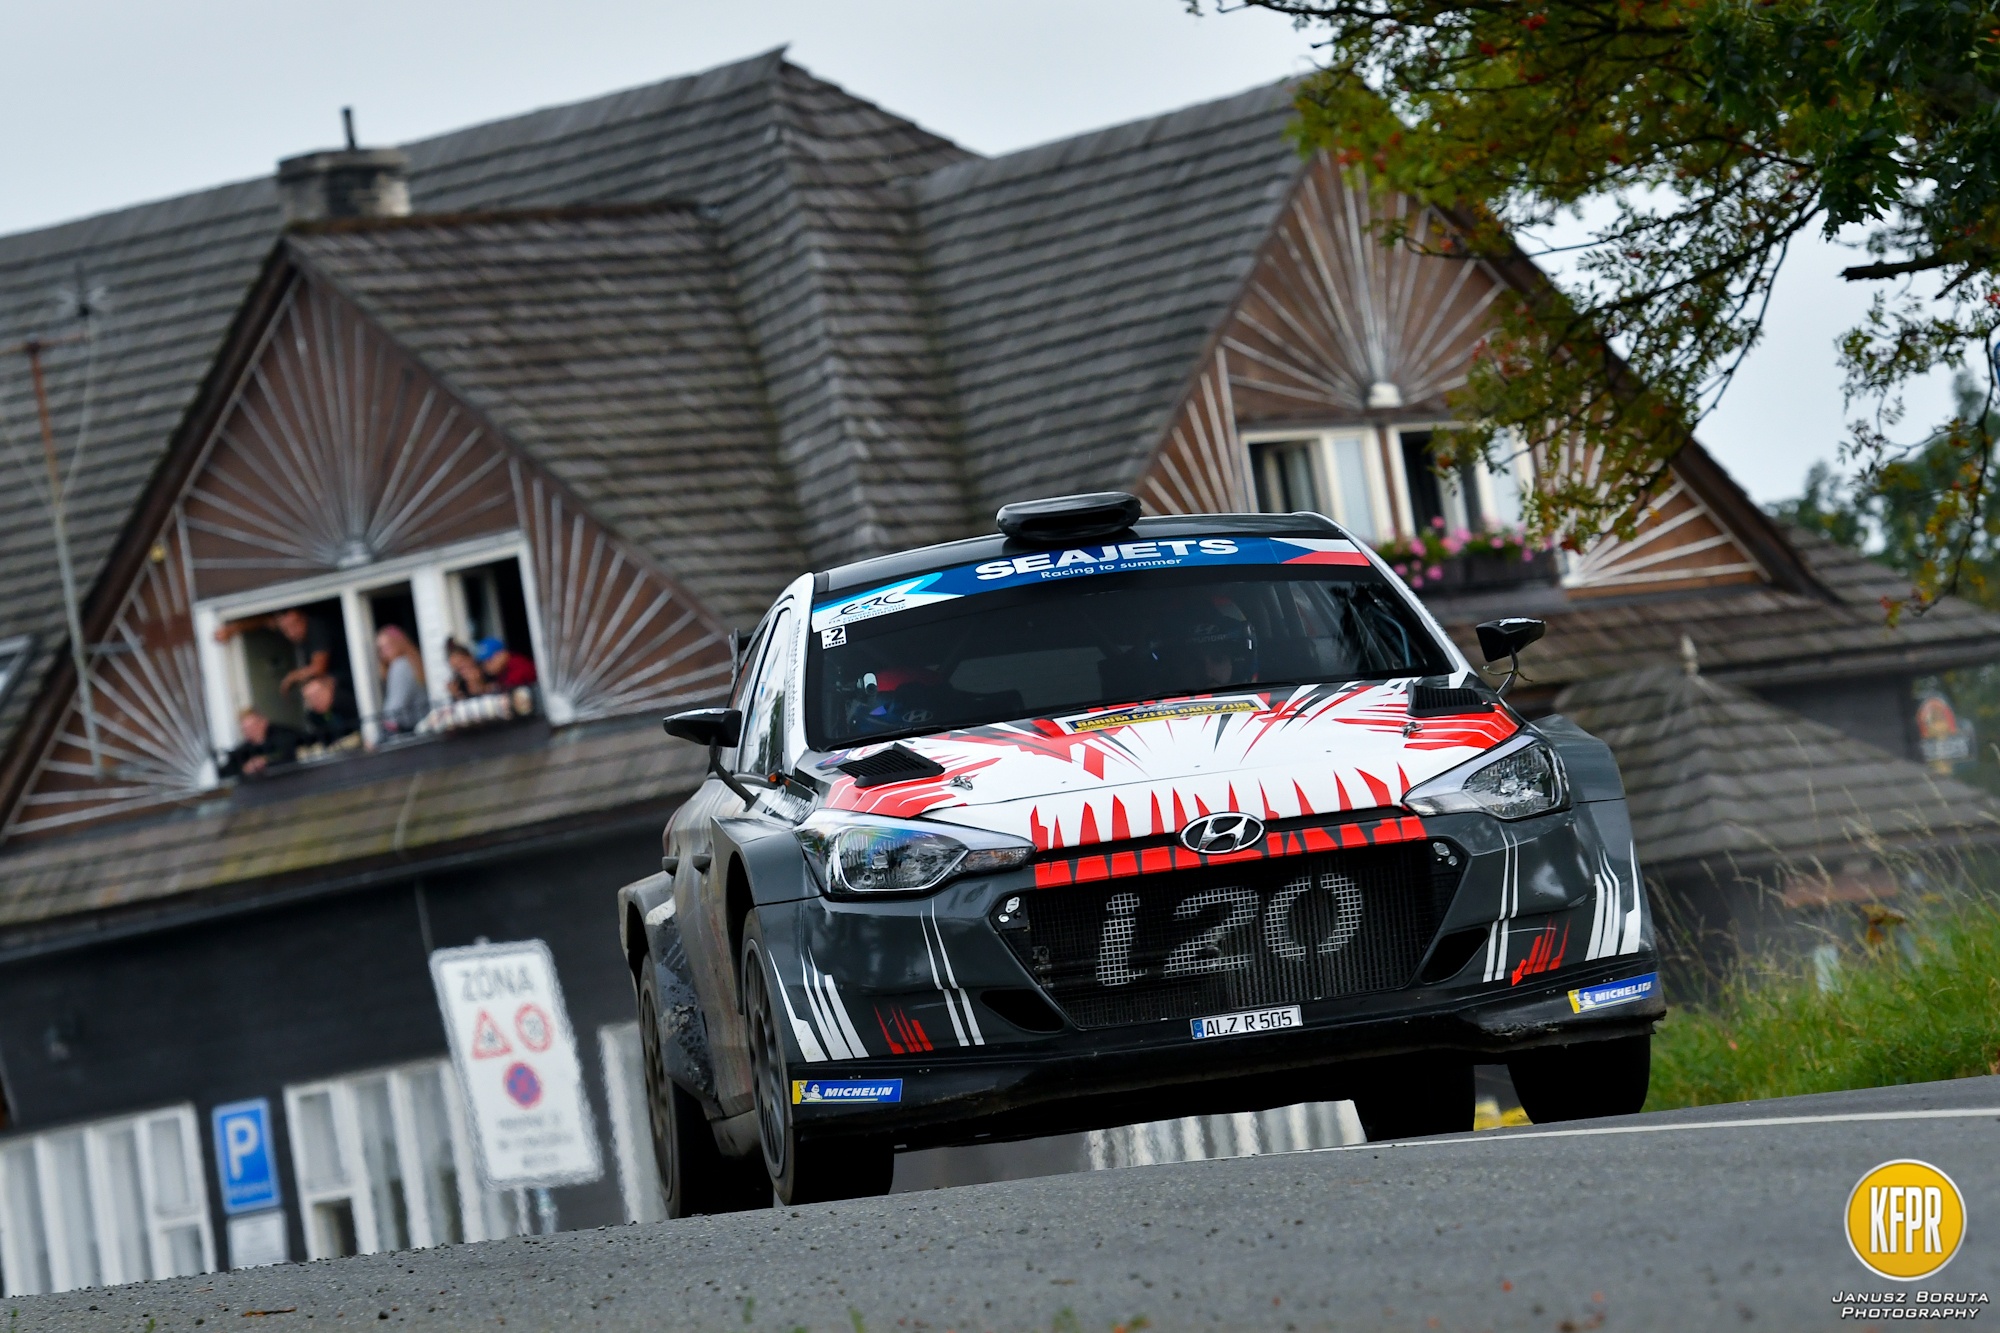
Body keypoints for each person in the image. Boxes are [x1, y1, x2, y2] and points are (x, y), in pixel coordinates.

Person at [215, 606, 350, 697]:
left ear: (303, 618)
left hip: (347, 675)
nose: (291, 633)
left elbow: (318, 668)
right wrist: (231, 629)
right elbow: (263, 621)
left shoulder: (317, 628)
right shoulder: (288, 627)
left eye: (294, 625)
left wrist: (291, 677)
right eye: (285, 629)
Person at [219, 709, 303, 779]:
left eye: (253, 726)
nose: (250, 731)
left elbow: (287, 755)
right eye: (246, 729)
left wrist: (266, 761)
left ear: (264, 722)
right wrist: (244, 770)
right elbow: (226, 772)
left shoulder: (282, 737)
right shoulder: (243, 751)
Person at [375, 625, 428, 733]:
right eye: (381, 649)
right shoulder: (413, 662)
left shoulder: (400, 666)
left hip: (408, 729)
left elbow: (396, 705)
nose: (384, 652)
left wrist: (379, 735)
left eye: (387, 646)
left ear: (398, 643)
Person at [300, 673, 360, 746]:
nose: (315, 701)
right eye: (310, 698)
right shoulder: (314, 717)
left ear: (329, 689)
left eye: (318, 695)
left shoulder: (346, 702)